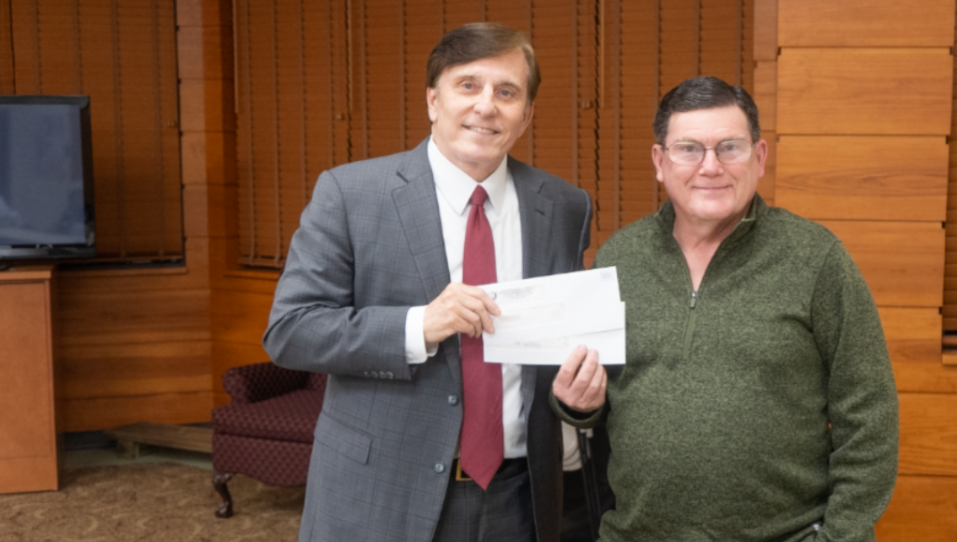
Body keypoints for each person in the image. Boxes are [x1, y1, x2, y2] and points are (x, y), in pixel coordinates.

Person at [264, 22, 604, 542]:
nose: (486, 106)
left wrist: (577, 396)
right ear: (432, 100)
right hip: (381, 491)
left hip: (520, 496)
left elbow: (558, 342)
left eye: (507, 92)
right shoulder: (350, 194)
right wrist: (419, 325)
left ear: (527, 114)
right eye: (468, 85)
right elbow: (290, 331)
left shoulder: (563, 205)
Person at [553, 76, 899, 542]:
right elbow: (597, 399)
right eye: (689, 149)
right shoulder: (621, 257)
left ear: (759, 157)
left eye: (729, 148)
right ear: (660, 161)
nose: (710, 167)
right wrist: (576, 405)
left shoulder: (815, 258)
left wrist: (843, 536)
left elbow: (869, 416)